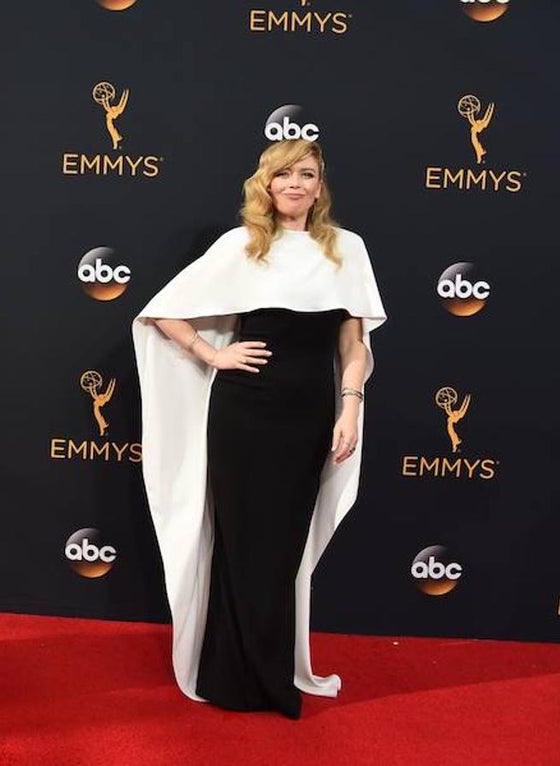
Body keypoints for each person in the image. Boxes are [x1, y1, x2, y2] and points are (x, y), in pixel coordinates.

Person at [132, 139, 385, 719]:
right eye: (283, 175)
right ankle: (231, 677)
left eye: (307, 174)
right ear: (266, 185)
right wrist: (209, 353)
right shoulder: (242, 245)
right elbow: (161, 311)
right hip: (243, 412)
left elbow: (353, 340)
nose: (295, 184)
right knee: (242, 542)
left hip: (308, 413)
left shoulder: (348, 249)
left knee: (281, 547)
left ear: (321, 186)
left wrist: (349, 408)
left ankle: (271, 673)